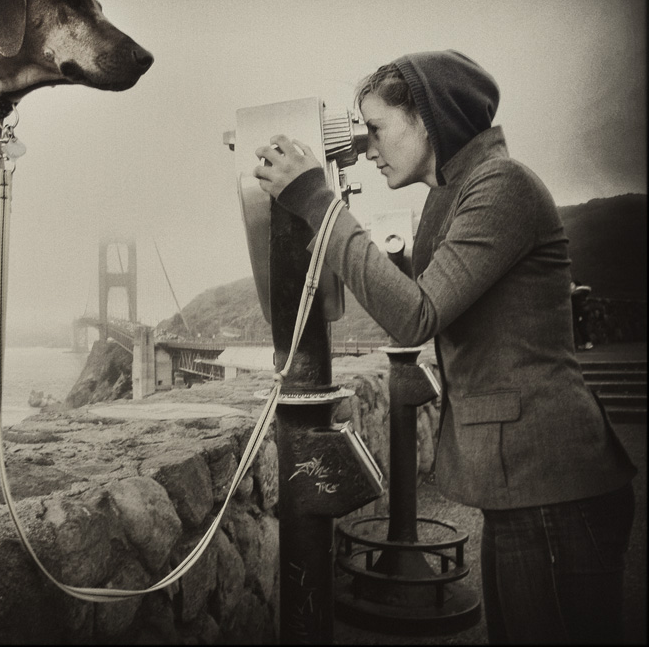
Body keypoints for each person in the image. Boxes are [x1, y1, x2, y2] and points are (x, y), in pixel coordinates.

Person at [253, 50, 637, 645]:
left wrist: (315, 201)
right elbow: (411, 294)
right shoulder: (451, 197)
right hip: (524, 489)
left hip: (556, 485)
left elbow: (415, 316)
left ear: (430, 119)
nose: (364, 149)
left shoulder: (503, 187)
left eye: (376, 129)